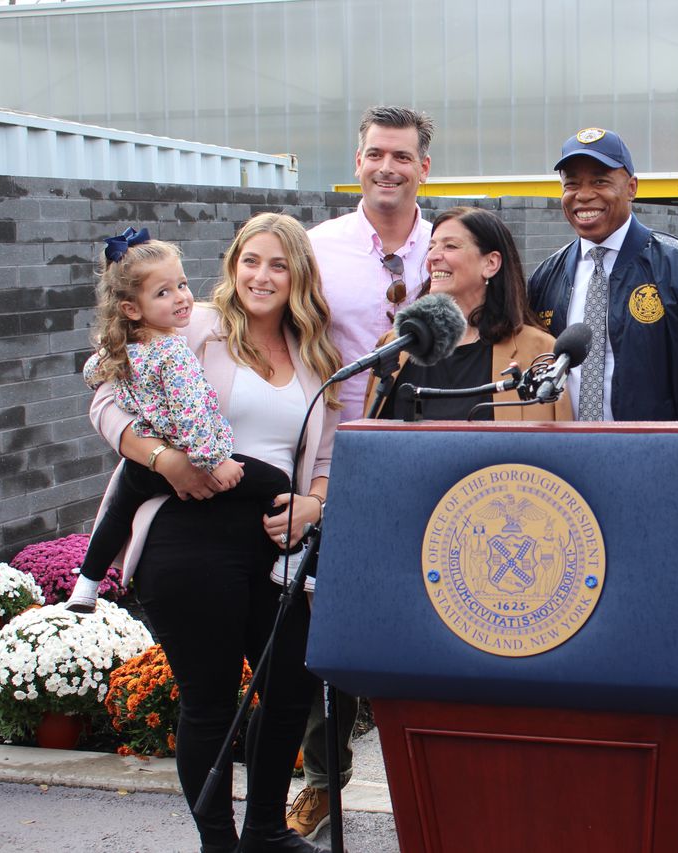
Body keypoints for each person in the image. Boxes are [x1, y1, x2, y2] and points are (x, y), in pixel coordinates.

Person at [89, 213, 343, 853]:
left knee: (288, 684)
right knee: (209, 699)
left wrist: (313, 506)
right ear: (233, 265)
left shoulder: (318, 354)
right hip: (188, 531)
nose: (262, 275)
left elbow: (326, 461)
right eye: (250, 260)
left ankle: (263, 833)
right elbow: (105, 394)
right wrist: (164, 459)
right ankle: (219, 843)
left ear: (299, 276)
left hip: (272, 541)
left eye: (278, 264)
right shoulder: (196, 324)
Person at [288, 105, 435, 840]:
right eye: (376, 153)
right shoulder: (317, 249)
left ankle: (438, 781)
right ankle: (324, 779)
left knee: (435, 613)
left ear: (423, 169)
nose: (387, 167)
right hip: (339, 463)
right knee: (333, 621)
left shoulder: (450, 247)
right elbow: (257, 319)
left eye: (401, 156)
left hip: (431, 462)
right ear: (358, 162)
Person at [67, 229, 289, 613]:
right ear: (132, 309)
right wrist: (212, 460)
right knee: (276, 481)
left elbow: (92, 373)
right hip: (189, 461)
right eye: (163, 293)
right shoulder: (175, 350)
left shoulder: (124, 349)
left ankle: (87, 584)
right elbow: (192, 415)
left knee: (119, 510)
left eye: (182, 285)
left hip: (149, 468)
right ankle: (295, 558)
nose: (182, 297)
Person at [527, 127, 678, 421]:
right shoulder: (546, 278)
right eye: (572, 184)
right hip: (567, 458)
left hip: (657, 458)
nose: (583, 195)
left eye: (600, 181)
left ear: (632, 187)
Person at [367, 206, 570, 422]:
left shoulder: (540, 352)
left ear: (491, 263)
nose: (433, 257)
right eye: (431, 247)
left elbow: (558, 447)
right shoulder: (395, 346)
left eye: (450, 246)